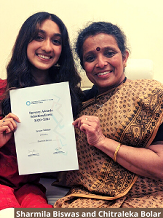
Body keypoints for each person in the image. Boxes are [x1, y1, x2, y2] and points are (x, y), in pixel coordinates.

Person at [0, 12, 83, 217]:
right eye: (39, 37)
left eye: (56, 41)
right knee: (6, 211)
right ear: (24, 42)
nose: (47, 47)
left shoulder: (68, 97)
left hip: (27, 185)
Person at [54, 21, 163, 208]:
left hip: (148, 194)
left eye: (109, 53)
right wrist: (2, 90)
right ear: (84, 66)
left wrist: (102, 141)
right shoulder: (74, 103)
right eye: (90, 57)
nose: (101, 63)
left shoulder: (150, 95)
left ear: (125, 57)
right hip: (88, 198)